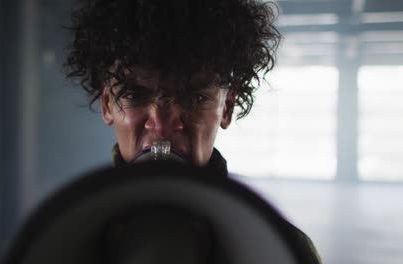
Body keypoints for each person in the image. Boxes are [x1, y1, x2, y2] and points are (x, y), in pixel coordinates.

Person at [64, 0, 322, 263]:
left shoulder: (284, 249)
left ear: (227, 108)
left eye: (195, 99)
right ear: (108, 105)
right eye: (134, 95)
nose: (163, 127)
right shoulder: (61, 240)